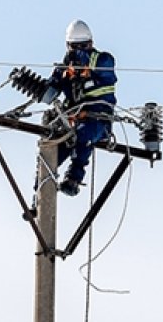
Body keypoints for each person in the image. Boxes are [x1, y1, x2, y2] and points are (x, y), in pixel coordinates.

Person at [48, 19, 117, 197]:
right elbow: (50, 89)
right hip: (70, 123)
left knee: (84, 134)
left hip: (97, 122)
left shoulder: (102, 60)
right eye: (74, 47)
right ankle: (39, 197)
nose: (78, 51)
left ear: (91, 44)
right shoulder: (64, 67)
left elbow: (106, 67)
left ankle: (73, 179)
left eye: (83, 46)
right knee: (50, 153)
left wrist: (80, 62)